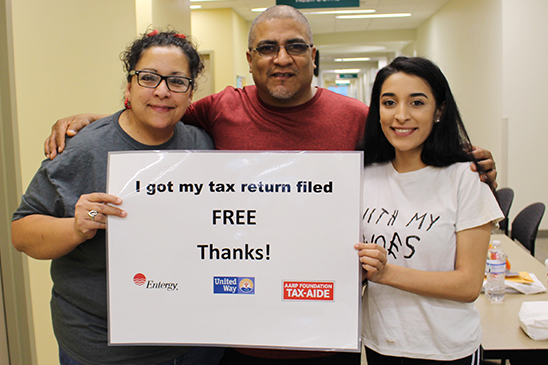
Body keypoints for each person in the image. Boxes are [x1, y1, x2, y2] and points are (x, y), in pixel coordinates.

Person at [40, 6, 497, 363]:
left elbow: (409, 154)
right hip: (237, 333)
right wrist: (95, 120)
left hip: (326, 331)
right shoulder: (220, 109)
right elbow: (159, 116)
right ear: (250, 59)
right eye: (267, 48)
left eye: (296, 47)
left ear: (313, 57)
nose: (282, 58)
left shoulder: (356, 120)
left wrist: (470, 166)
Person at [11, 30, 225, 365]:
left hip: (190, 341)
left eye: (177, 81)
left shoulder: (202, 145)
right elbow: (21, 233)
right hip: (101, 347)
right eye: (148, 78)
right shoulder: (82, 148)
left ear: (191, 93)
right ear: (129, 86)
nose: (162, 91)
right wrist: (76, 228)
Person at [354, 57, 504, 364]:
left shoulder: (466, 177)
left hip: (447, 348)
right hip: (381, 343)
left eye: (417, 103)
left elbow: (468, 284)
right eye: (389, 102)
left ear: (439, 111)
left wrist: (387, 273)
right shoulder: (363, 175)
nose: (401, 115)